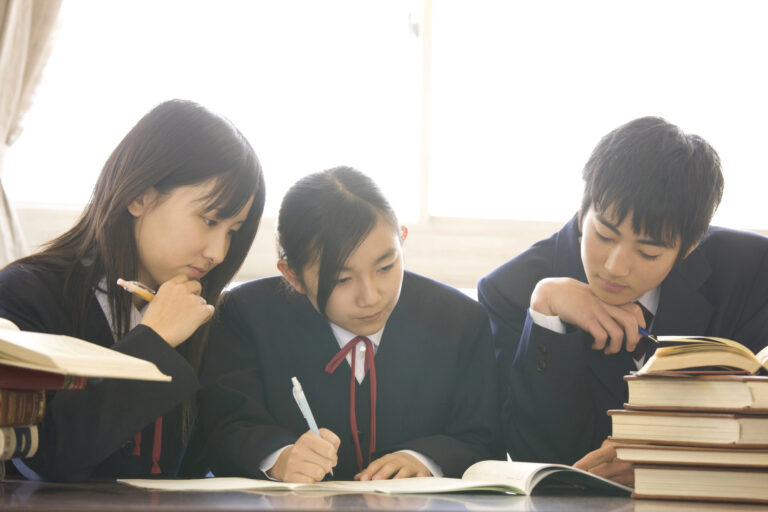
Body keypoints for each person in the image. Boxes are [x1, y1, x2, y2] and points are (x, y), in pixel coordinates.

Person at [478, 116, 768, 485]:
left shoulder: (751, 272)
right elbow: (535, 457)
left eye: (648, 253)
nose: (615, 267)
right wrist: (547, 317)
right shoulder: (510, 289)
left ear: (690, 247)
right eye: (603, 234)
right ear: (585, 209)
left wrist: (670, 458)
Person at [0, 99, 266, 481]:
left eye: (232, 232)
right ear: (139, 196)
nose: (219, 252)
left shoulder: (206, 314)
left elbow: (215, 449)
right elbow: (45, 456)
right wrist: (152, 340)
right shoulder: (26, 294)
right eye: (209, 220)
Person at [199, 166, 500, 482]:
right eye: (342, 279)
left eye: (385, 267)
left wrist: (425, 460)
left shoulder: (460, 321)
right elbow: (224, 430)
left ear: (403, 240)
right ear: (292, 275)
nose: (370, 296)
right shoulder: (245, 315)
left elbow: (484, 440)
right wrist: (280, 458)